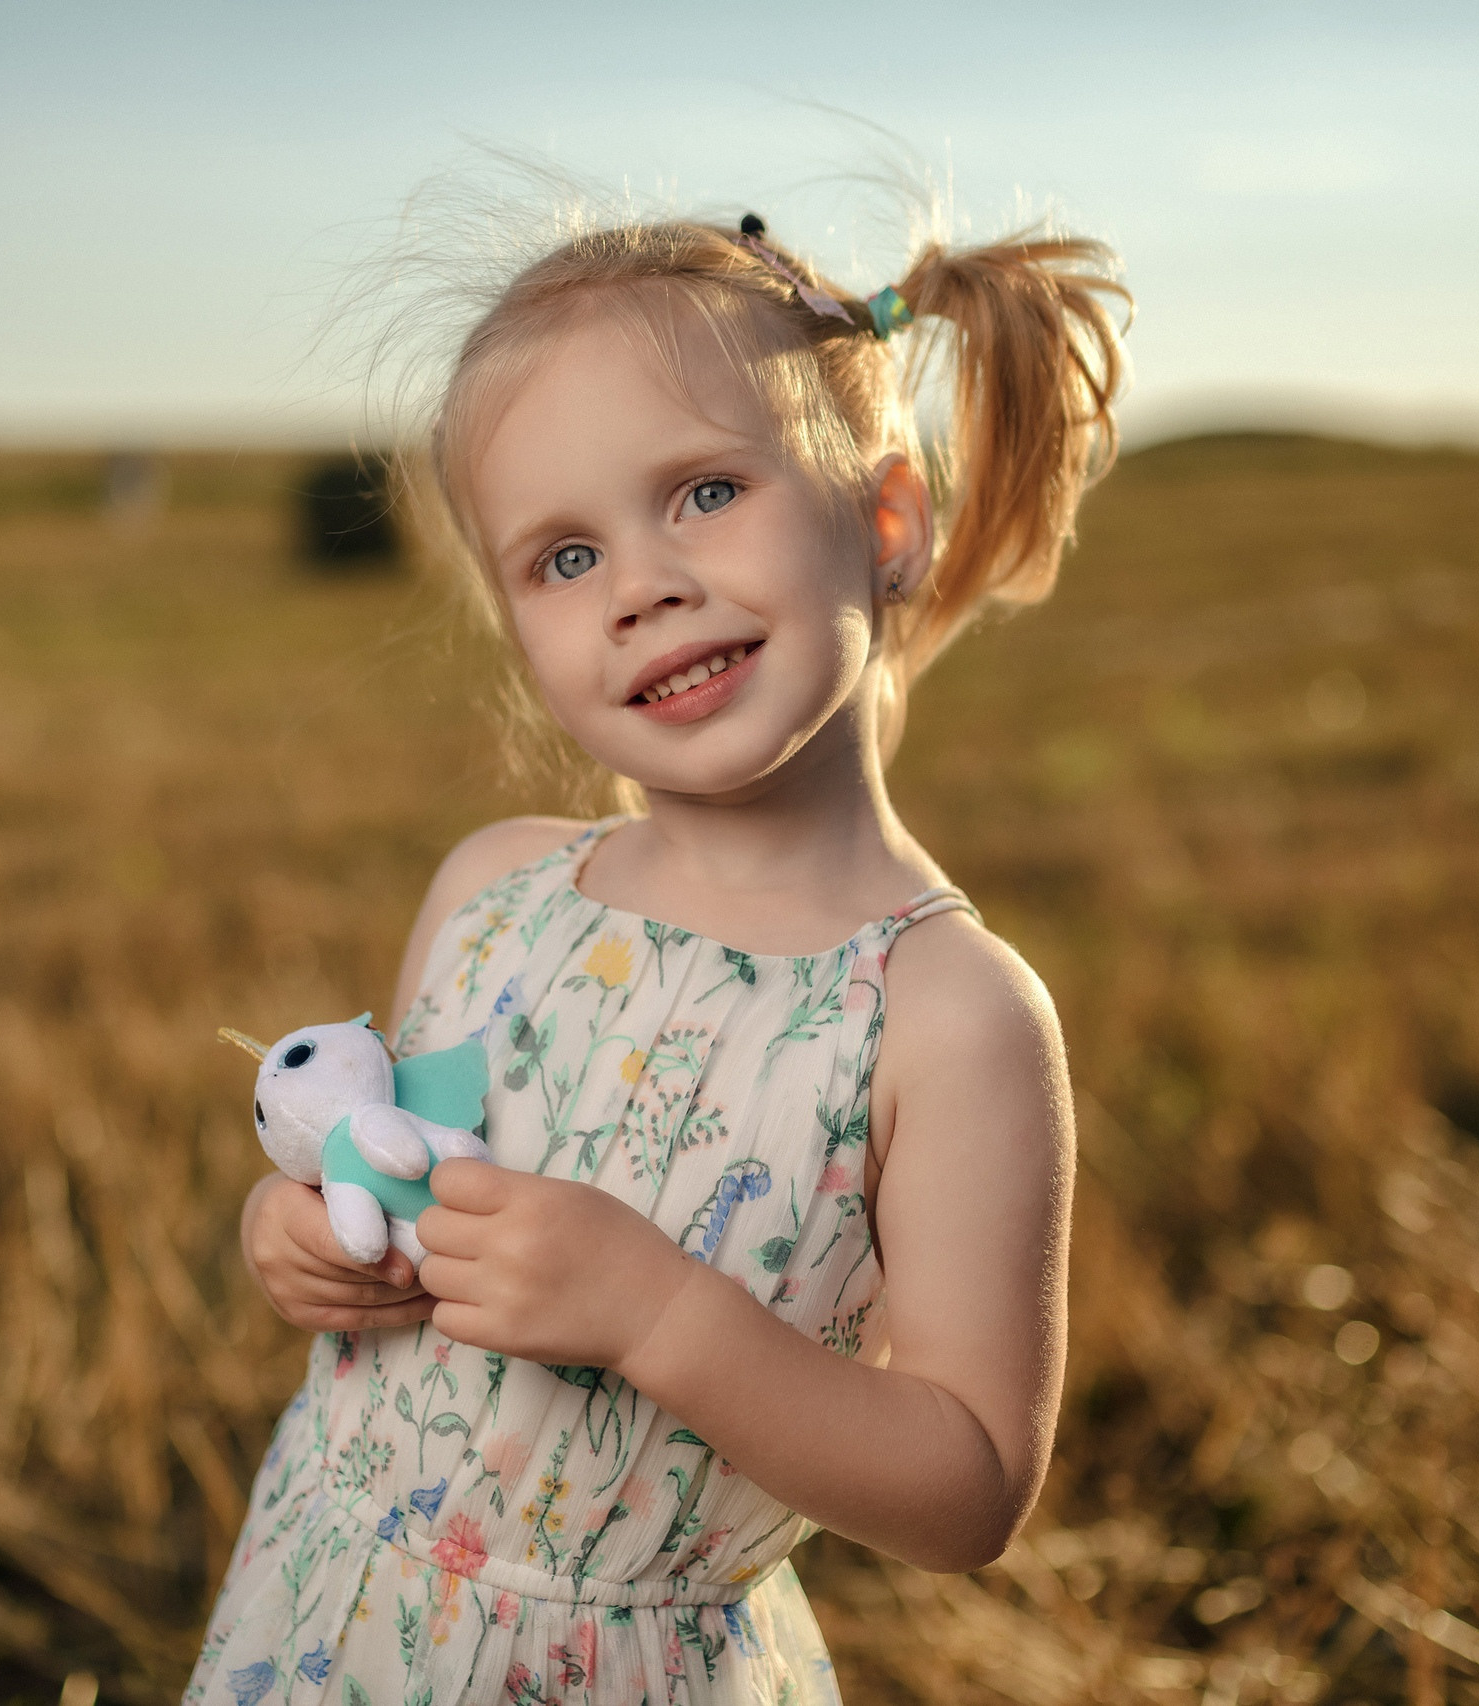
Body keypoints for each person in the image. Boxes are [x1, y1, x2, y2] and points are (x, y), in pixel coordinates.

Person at [193, 200, 1128, 1704]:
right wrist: (298, 1238)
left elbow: (969, 1483)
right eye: (564, 556)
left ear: (886, 523)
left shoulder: (944, 1013)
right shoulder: (491, 892)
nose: (639, 583)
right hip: (326, 1613)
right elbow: (387, 1187)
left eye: (703, 491)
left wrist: (656, 1312)